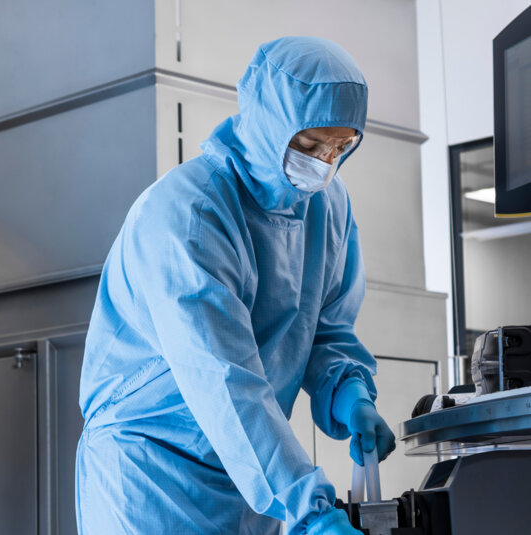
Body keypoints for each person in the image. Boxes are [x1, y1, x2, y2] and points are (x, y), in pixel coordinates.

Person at [75, 36, 395, 535]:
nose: (324, 163)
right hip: (151, 473)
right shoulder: (191, 213)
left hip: (249, 472)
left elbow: (324, 327)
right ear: (270, 122)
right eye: (310, 145)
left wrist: (349, 391)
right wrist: (311, 512)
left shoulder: (328, 208)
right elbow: (223, 380)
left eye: (341, 146)